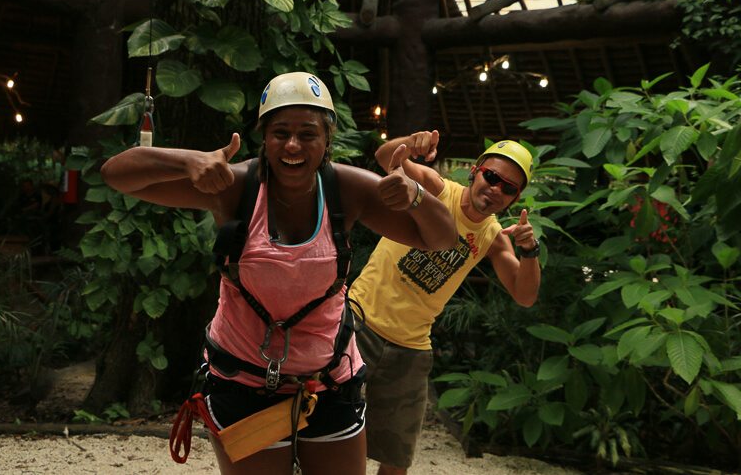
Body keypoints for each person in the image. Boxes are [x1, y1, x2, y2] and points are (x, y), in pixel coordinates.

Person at [100, 72, 458, 475]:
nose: (292, 145)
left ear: (327, 141)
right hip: (242, 382)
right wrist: (188, 160)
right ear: (264, 139)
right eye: (280, 132)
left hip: (330, 382)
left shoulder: (348, 189)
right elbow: (117, 173)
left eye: (308, 134)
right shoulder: (233, 186)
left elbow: (442, 239)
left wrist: (416, 197)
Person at [348, 130, 541, 475]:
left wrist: (530, 252)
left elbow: (524, 296)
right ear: (475, 171)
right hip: (357, 324)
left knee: (396, 457)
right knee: (322, 430)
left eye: (508, 187)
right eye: (492, 177)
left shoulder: (493, 238)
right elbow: (386, 157)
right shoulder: (437, 188)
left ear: (515, 198)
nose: (496, 189)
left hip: (411, 347)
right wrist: (412, 141)